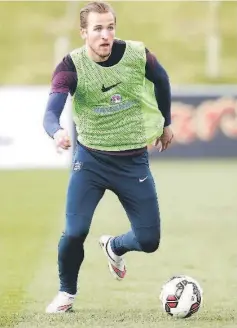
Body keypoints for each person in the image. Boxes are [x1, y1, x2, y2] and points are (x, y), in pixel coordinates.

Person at [43, 1, 173, 313]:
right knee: (74, 232)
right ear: (83, 32)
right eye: (98, 29)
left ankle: (114, 247)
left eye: (110, 27)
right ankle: (66, 294)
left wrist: (166, 122)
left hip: (133, 161)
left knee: (149, 240)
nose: (105, 35)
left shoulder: (136, 54)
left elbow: (162, 79)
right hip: (90, 162)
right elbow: (50, 111)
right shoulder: (70, 66)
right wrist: (57, 131)